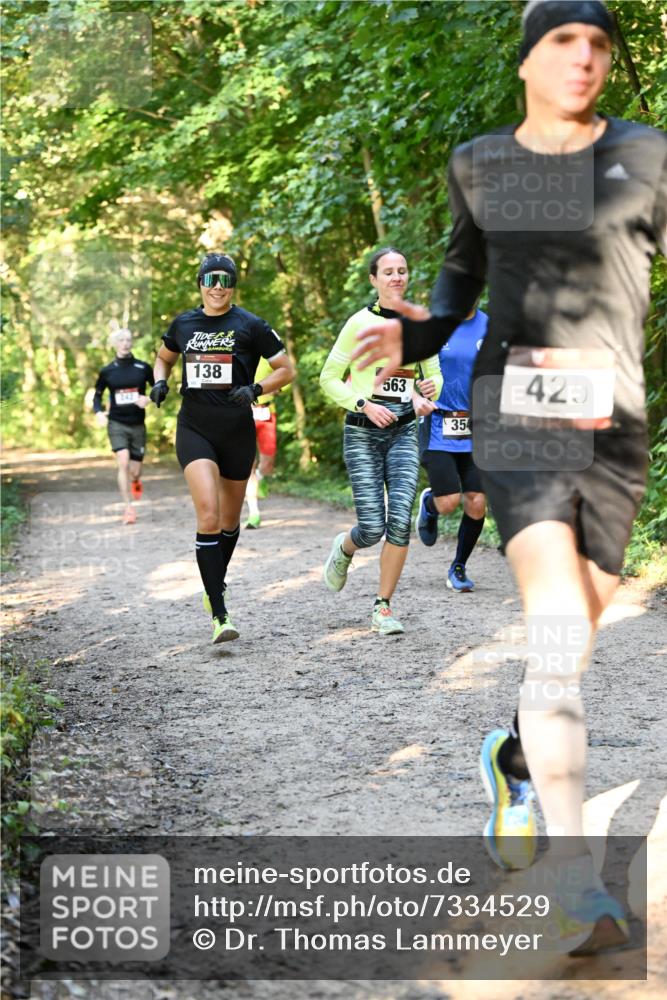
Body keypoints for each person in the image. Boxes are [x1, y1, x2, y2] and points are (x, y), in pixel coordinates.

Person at [352, 0, 666, 953]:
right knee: (558, 630)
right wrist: (415, 331)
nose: (584, 60)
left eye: (598, 46)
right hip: (517, 408)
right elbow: (458, 284)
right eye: (563, 43)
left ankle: (514, 761)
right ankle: (577, 885)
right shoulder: (483, 165)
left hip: (611, 422)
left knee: (572, 640)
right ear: (527, 59)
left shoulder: (645, 156)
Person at [150, 252, 295, 643]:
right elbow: (162, 359)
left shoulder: (250, 325)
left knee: (230, 523)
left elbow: (287, 369)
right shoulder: (184, 323)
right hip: (195, 428)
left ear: (233, 286)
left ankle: (215, 582)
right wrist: (159, 381)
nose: (217, 286)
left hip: (237, 433)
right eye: (210, 279)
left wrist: (257, 388)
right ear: (200, 283)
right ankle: (219, 611)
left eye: (225, 280)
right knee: (209, 515)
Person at [319, 247, 442, 636]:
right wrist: (363, 404)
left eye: (402, 270)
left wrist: (426, 393)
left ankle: (383, 607)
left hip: (404, 431)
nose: (396, 277)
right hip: (362, 432)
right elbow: (328, 378)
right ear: (373, 280)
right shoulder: (358, 323)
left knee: (400, 520)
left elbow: (432, 378)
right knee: (372, 527)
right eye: (387, 272)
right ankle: (346, 547)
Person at [414, 305, 489, 592]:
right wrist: (415, 393)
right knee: (448, 502)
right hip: (437, 424)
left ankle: (458, 566)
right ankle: (430, 504)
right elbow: (404, 365)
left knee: (477, 500)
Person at [92, 328, 154, 524]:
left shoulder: (142, 367)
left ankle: (135, 481)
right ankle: (128, 508)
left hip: (137, 424)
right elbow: (97, 395)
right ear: (115, 344)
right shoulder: (107, 371)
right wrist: (99, 412)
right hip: (117, 423)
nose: (126, 343)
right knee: (123, 462)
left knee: (135, 471)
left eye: (129, 339)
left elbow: (158, 389)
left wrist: (148, 399)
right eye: (121, 340)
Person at [244, 356, 280, 529]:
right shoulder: (237, 354)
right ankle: (254, 514)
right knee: (248, 465)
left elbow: (284, 379)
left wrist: (276, 388)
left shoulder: (269, 357)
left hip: (265, 413)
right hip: (243, 414)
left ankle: (261, 477)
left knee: (268, 463)